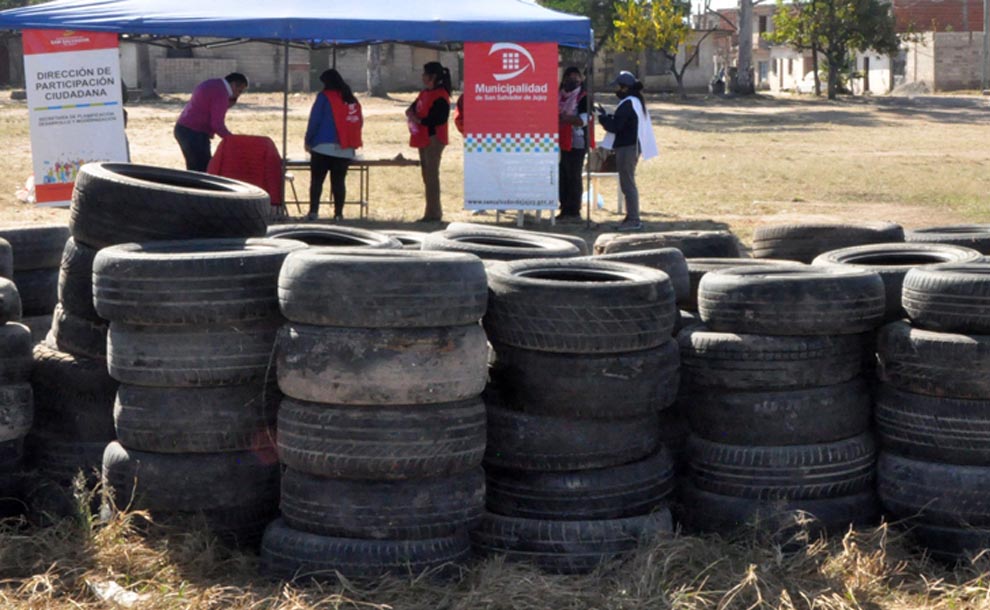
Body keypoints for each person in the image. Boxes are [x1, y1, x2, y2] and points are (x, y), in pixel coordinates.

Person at [597, 71, 658, 232]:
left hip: (627, 147)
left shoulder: (628, 103)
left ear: (624, 88)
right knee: (627, 182)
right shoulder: (635, 101)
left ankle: (633, 219)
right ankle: (631, 216)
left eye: (618, 87)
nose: (616, 90)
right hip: (631, 146)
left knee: (628, 183)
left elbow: (615, 127)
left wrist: (602, 118)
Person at [304, 69, 363, 221]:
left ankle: (313, 212)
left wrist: (308, 140)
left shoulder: (324, 97)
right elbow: (359, 122)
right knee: (339, 182)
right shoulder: (351, 99)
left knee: (317, 181)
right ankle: (338, 214)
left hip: (322, 146)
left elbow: (315, 120)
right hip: (345, 148)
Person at [174, 73, 249, 172]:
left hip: (183, 128)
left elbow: (205, 110)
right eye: (240, 91)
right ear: (234, 84)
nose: (238, 95)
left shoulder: (213, 84)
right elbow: (217, 124)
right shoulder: (222, 93)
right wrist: (231, 139)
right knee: (203, 171)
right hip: (194, 132)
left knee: (195, 168)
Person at [406, 61, 451, 222]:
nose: (422, 77)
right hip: (423, 138)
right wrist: (411, 113)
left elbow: (439, 118)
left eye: (425, 74)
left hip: (434, 139)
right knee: (427, 176)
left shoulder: (441, 95)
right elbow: (414, 107)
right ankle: (430, 211)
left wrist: (419, 121)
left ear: (433, 76)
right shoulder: (425, 93)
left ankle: (433, 214)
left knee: (432, 176)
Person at [557, 67, 590, 222]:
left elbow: (582, 120)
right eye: (570, 77)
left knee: (574, 176)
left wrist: (565, 119)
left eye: (577, 78)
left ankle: (574, 211)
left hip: (576, 142)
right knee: (562, 176)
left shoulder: (583, 97)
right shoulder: (558, 96)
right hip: (559, 142)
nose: (573, 80)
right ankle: (564, 209)